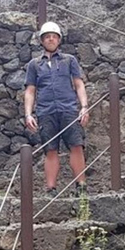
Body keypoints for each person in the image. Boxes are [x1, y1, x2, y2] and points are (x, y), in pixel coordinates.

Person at [24, 21, 90, 197]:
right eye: (47, 37)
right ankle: (51, 189)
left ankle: (81, 187)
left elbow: (79, 84)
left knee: (76, 145)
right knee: (50, 150)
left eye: (54, 36)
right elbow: (30, 91)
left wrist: (84, 107)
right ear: (42, 41)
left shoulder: (69, 60)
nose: (51, 39)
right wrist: (28, 114)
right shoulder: (34, 64)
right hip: (46, 112)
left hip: (68, 109)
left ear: (59, 40)